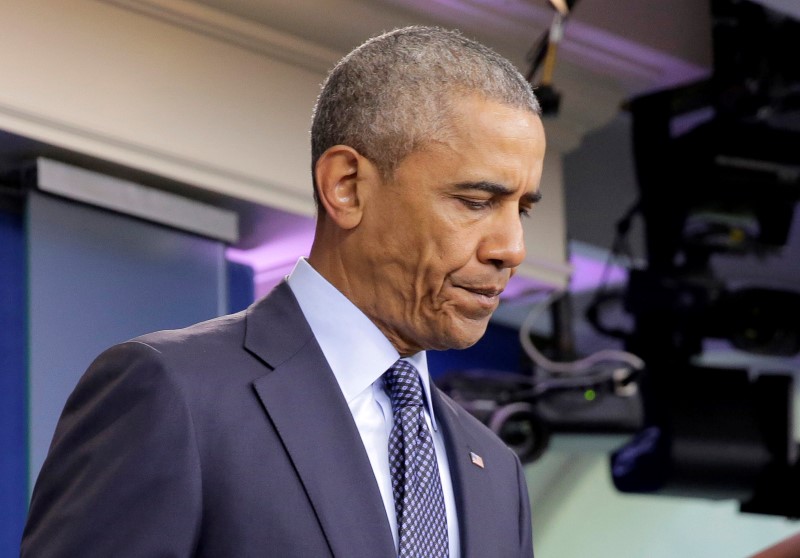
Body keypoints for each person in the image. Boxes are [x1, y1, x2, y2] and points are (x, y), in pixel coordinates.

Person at [21, 25, 546, 557]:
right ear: (346, 186)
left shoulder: (496, 472)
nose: (513, 248)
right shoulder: (174, 392)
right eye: (476, 201)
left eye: (522, 209)